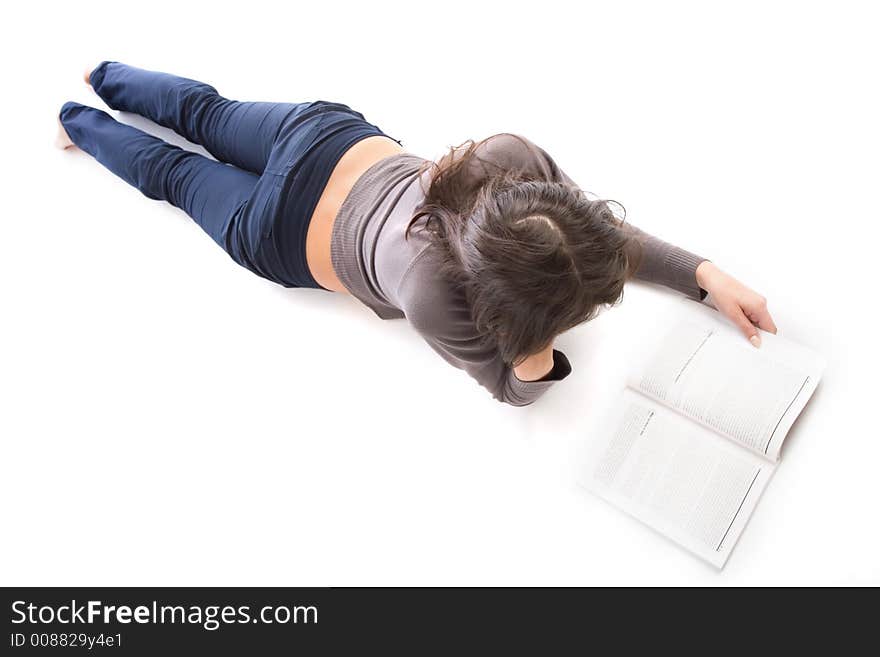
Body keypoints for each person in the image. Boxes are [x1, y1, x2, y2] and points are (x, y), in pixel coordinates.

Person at [57, 62, 777, 406]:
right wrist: (534, 358)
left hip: (324, 140)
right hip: (276, 232)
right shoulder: (432, 295)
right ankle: (75, 123)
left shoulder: (509, 157)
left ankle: (101, 75)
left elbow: (587, 239)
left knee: (208, 114)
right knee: (178, 177)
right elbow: (509, 383)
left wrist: (704, 274)